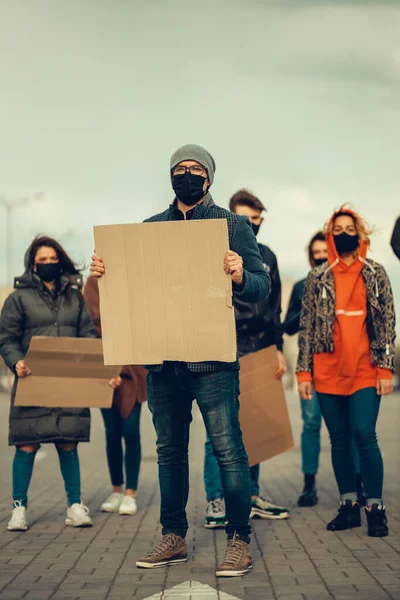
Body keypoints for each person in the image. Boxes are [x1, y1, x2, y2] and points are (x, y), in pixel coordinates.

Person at [90, 144, 270, 577]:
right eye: (179, 168)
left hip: (213, 363)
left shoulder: (232, 225)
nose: (186, 174)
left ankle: (238, 541)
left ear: (209, 177)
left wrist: (241, 273)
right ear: (170, 176)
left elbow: (261, 287)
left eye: (195, 168)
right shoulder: (150, 229)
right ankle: (173, 537)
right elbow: (131, 292)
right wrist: (102, 274)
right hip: (165, 363)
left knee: (229, 452)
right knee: (170, 453)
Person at [297, 207, 396, 537]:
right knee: (338, 440)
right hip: (326, 371)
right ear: (329, 234)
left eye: (349, 228)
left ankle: (376, 508)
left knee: (364, 435)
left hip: (366, 370)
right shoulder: (317, 277)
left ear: (360, 233)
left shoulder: (376, 273)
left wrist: (385, 368)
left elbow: (386, 323)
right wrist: (303, 373)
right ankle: (349, 505)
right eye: (336, 228)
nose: (343, 233)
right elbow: (307, 327)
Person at [203, 189, 289, 530]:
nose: (250, 226)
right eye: (244, 219)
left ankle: (251, 494)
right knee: (218, 430)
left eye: (256, 220)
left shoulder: (268, 256)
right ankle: (217, 499)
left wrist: (278, 347)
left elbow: (275, 306)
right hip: (224, 344)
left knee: (256, 425)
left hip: (260, 347)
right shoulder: (214, 251)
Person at [0, 236, 97, 531]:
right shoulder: (18, 299)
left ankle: (75, 506)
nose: (47, 265)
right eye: (41, 261)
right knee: (26, 444)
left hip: (68, 382)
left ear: (61, 261)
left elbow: (88, 336)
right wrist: (16, 362)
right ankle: (19, 509)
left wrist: (87, 365)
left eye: (52, 259)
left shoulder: (75, 297)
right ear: (32, 264)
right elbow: (7, 339)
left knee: (69, 443)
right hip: (32, 380)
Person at [284, 233, 363, 507]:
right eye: (314, 252)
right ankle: (309, 485)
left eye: (322, 251)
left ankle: (358, 482)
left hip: (343, 366)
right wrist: (308, 303)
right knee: (311, 424)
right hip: (312, 366)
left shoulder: (344, 280)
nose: (319, 256)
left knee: (350, 427)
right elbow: (289, 326)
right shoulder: (301, 286)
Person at [84, 276, 147, 515]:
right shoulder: (93, 282)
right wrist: (109, 369)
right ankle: (116, 489)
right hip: (105, 369)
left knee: (131, 431)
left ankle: (131, 492)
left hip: (133, 370)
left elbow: (141, 322)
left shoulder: (135, 279)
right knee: (112, 433)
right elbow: (93, 323)